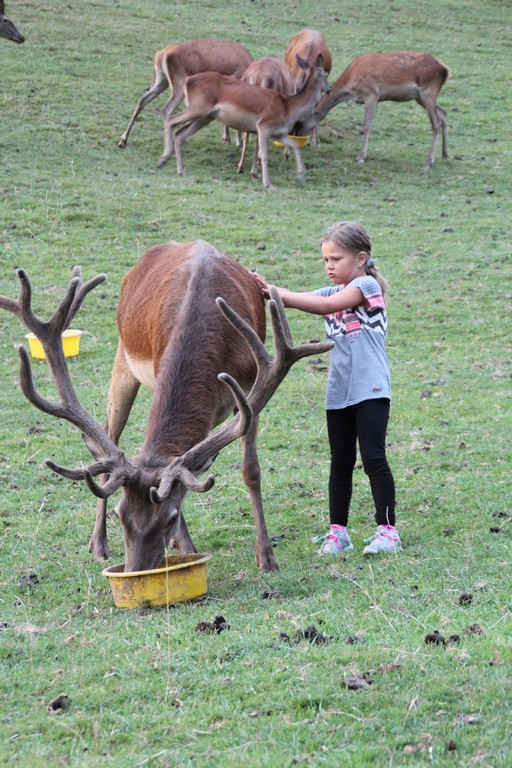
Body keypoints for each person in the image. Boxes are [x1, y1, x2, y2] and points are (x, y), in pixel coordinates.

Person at [253, 221, 401, 556]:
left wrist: (275, 293)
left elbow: (322, 307)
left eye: (336, 258)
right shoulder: (331, 292)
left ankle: (388, 531)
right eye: (325, 260)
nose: (329, 265)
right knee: (340, 461)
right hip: (339, 392)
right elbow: (297, 299)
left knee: (374, 458)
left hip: (372, 388)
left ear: (361, 258)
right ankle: (338, 533)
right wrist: (267, 289)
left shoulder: (365, 286)